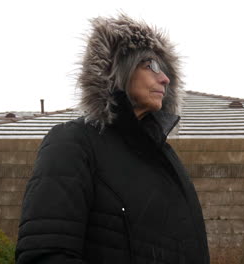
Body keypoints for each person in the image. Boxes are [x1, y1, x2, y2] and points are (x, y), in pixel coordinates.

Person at [15, 14, 210, 264]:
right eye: (151, 65)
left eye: (165, 70)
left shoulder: (167, 158)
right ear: (118, 68)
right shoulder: (73, 143)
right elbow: (44, 254)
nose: (165, 78)